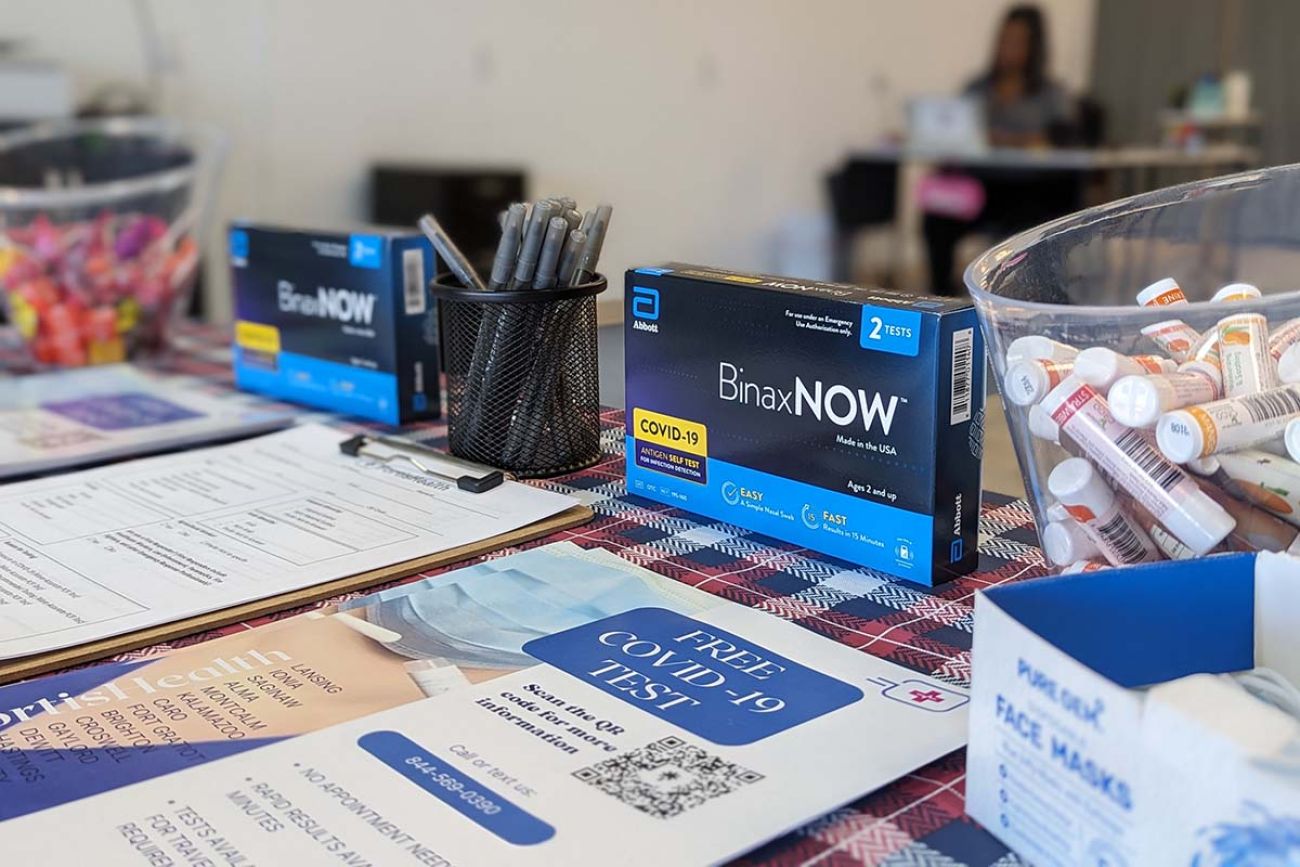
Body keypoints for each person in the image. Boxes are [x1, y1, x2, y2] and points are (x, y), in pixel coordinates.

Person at [923, 4, 1079, 295]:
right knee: (936, 218)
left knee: (1041, 220)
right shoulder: (978, 89)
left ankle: (1041, 297)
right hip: (981, 189)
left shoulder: (1050, 94)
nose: (1009, 48)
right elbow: (957, 134)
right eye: (1005, 40)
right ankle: (938, 299)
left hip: (1031, 190)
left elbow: (1063, 138)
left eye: (1018, 41)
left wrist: (1009, 140)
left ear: (1034, 48)